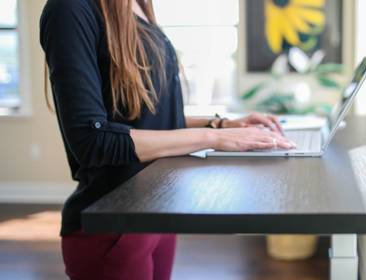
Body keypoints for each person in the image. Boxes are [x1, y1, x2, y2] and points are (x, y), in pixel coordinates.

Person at [40, 0, 295, 279]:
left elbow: (149, 116)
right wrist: (214, 137)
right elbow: (93, 140)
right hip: (113, 225)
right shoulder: (69, 9)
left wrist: (222, 124)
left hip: (157, 209)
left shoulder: (136, 5)